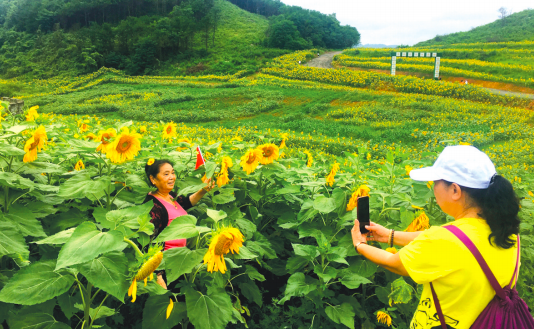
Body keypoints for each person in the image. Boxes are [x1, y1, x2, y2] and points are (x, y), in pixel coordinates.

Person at [351, 145, 520, 329]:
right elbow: (450, 241)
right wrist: (390, 236)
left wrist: (360, 244)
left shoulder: (444, 239)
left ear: (455, 190)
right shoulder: (507, 230)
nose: (432, 188)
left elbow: (395, 262)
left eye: (435, 182)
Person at [144, 158, 213, 288]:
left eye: (172, 172)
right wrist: (158, 275)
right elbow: (150, 242)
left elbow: (185, 203)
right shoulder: (152, 206)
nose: (172, 177)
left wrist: (203, 189)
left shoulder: (170, 196)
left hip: (180, 262)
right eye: (166, 174)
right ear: (153, 179)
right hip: (167, 268)